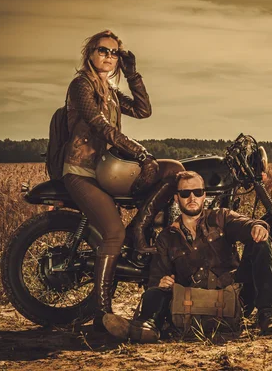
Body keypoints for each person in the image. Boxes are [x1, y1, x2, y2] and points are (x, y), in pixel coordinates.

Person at [62, 30, 184, 332]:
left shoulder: (111, 91)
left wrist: (132, 74)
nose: (109, 57)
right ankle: (101, 313)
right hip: (82, 172)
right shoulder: (81, 85)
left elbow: (144, 110)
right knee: (113, 233)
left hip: (107, 170)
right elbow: (100, 125)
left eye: (115, 53)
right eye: (103, 51)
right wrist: (140, 153)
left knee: (173, 170)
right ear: (90, 52)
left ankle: (140, 230)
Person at [103, 170, 272, 342]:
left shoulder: (220, 217)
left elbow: (244, 224)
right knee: (156, 293)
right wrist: (162, 282)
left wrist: (257, 226)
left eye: (197, 192)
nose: (192, 198)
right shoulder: (166, 237)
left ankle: (267, 315)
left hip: (235, 299)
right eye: (185, 193)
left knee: (259, 241)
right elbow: (155, 281)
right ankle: (147, 327)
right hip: (192, 305)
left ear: (204, 195)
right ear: (176, 198)